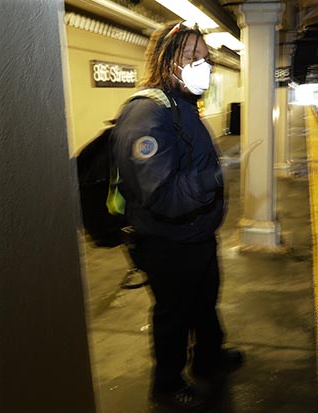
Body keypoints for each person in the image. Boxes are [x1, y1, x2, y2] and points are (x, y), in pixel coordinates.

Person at [111, 20, 243, 410]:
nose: (203, 64)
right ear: (166, 59)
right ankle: (166, 385)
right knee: (173, 315)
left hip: (196, 234)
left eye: (205, 57)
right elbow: (162, 195)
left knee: (204, 302)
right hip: (167, 241)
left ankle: (208, 359)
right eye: (191, 56)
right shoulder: (147, 114)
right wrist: (214, 177)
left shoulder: (181, 104)